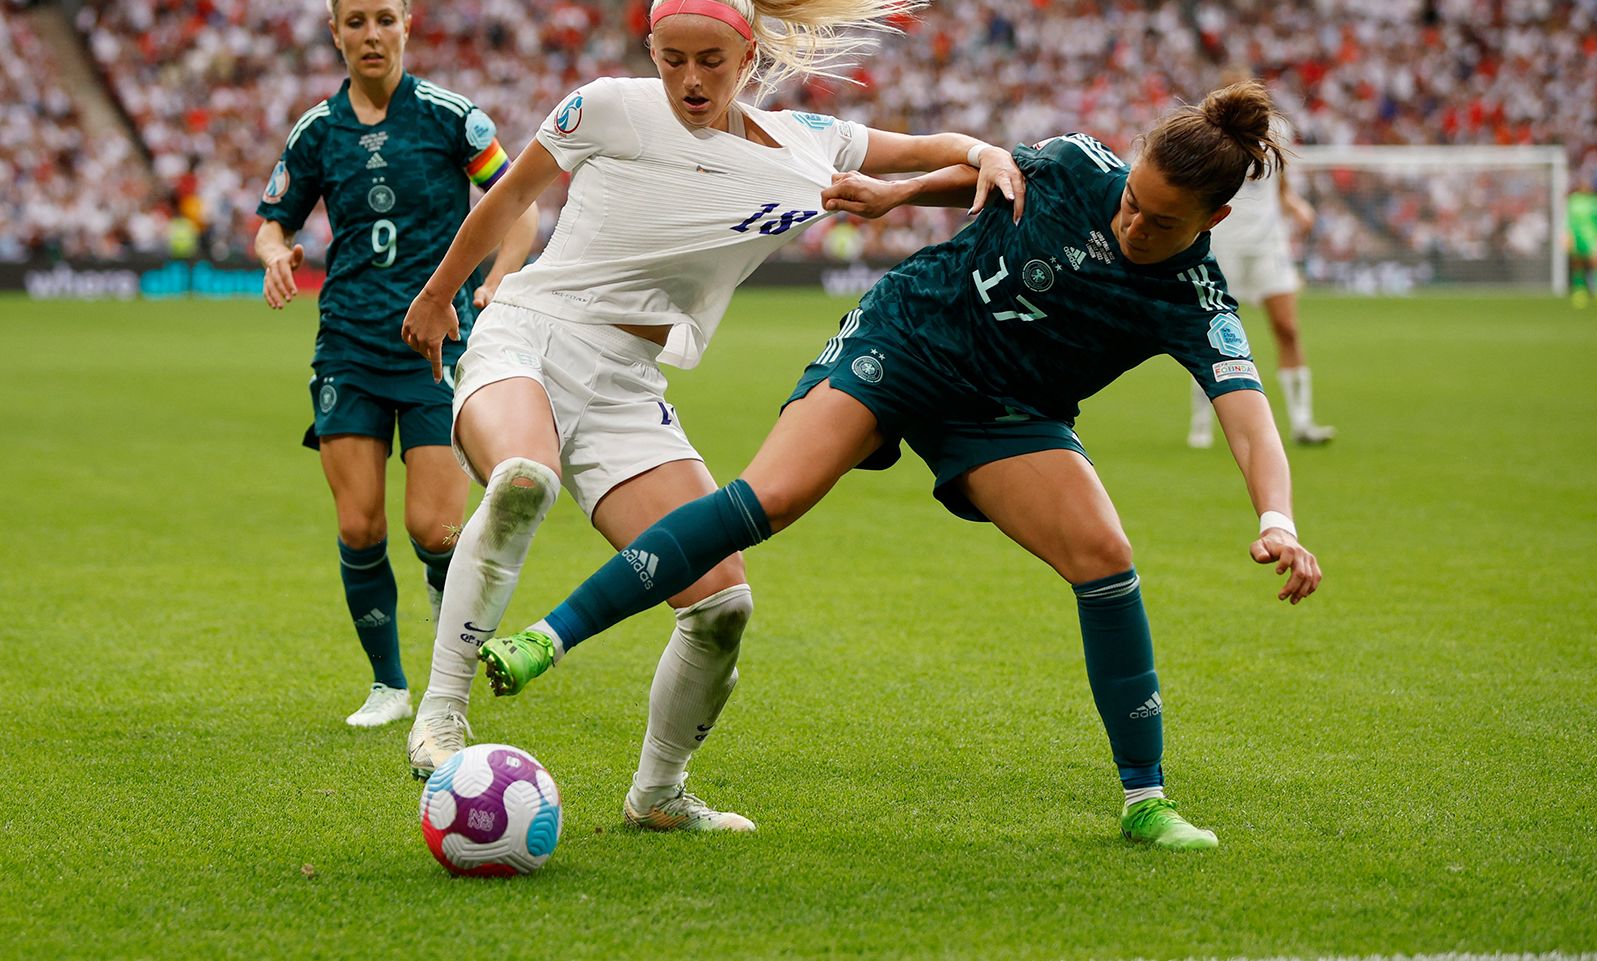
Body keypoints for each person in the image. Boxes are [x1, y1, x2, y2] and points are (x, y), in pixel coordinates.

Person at [477, 80, 1323, 851]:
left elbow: (1247, 417)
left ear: (1210, 223)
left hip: (1004, 413)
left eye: (1162, 222)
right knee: (772, 495)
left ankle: (1147, 799)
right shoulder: (1075, 165)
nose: (1132, 223)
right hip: (908, 335)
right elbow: (987, 179)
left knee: (1106, 557)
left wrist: (1275, 519)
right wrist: (898, 193)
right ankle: (548, 638)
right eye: (1134, 200)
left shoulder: (1197, 297)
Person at [399, 0, 1025, 832]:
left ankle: (658, 795)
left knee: (722, 600)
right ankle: (440, 714)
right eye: (671, 58)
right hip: (528, 332)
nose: (689, 79)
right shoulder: (607, 104)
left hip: (625, 383)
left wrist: (985, 152)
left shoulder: (808, 143)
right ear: (651, 51)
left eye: (709, 61)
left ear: (750, 59)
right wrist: (439, 294)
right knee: (524, 477)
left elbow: (924, 152)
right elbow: (514, 194)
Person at [256, 0, 538, 729]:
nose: (372, 33)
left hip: (437, 347)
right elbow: (271, 223)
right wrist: (278, 253)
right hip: (347, 342)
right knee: (359, 525)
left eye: (385, 19)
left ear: (408, 26)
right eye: (356, 22)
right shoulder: (318, 131)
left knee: (435, 529)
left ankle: (451, 654)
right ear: (335, 34)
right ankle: (388, 684)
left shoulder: (452, 116)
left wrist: (500, 276)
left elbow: (521, 207)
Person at [1186, 71, 1334, 448]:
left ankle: (1302, 421)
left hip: (1269, 245)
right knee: (1211, 335)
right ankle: (1202, 422)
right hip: (1223, 245)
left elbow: (1279, 186)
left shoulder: (1277, 132)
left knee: (1287, 328)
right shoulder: (1211, 138)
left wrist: (1296, 206)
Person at [1566, 169, 1597, 309]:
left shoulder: (1594, 201)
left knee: (1595, 262)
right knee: (1577, 263)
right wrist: (1567, 234)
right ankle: (1579, 291)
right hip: (1577, 237)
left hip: (1592, 236)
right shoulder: (1573, 200)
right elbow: (1568, 220)